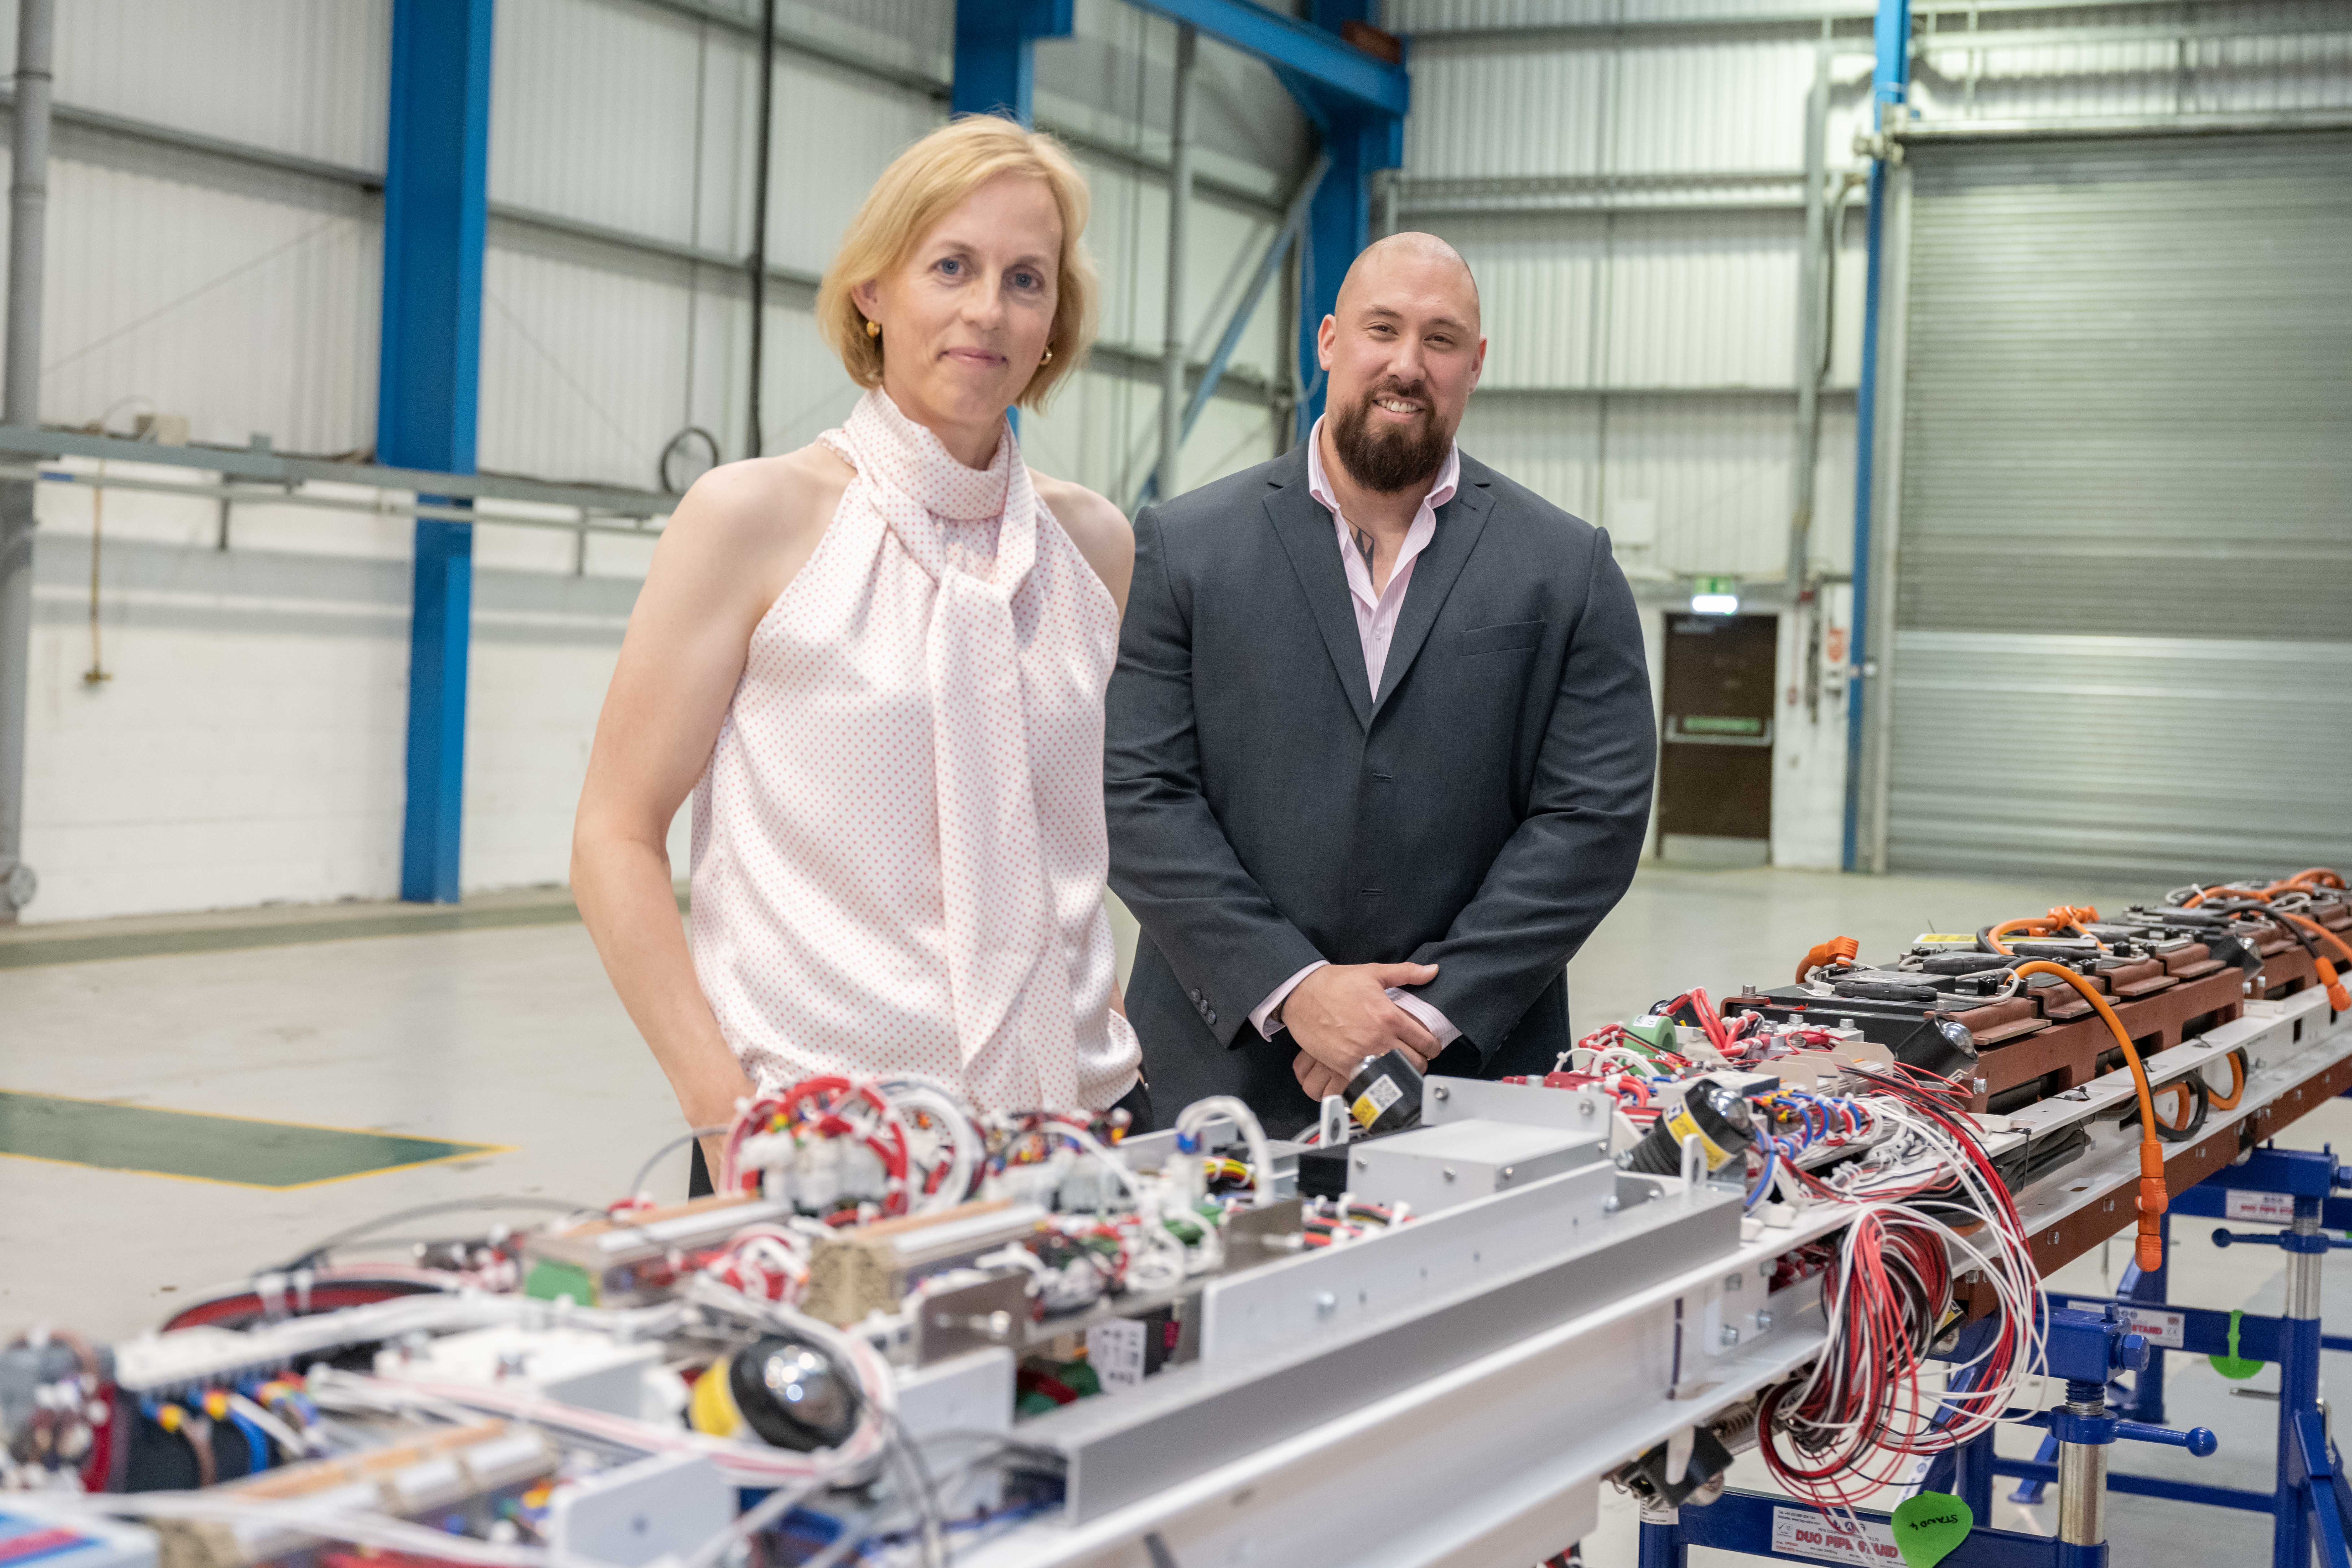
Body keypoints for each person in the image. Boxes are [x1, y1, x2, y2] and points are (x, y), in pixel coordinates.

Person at [572, 116, 1143, 1197]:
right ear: (874, 291)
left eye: (1027, 279)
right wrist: (722, 1117)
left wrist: (1103, 1030)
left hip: (1078, 1130)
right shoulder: (755, 520)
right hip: (826, 1147)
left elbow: (1064, 834)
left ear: (1055, 321)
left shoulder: (1092, 548)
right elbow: (613, 837)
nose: (988, 308)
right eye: (951, 267)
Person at [1104, 232, 1656, 1135]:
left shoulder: (1566, 567)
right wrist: (1296, 990)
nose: (1407, 364)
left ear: (1475, 365)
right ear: (1327, 341)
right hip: (1224, 1071)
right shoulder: (1182, 546)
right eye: (1381, 329)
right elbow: (1137, 794)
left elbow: (1591, 821)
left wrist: (1419, 1021)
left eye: (1440, 340)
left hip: (1472, 1074)